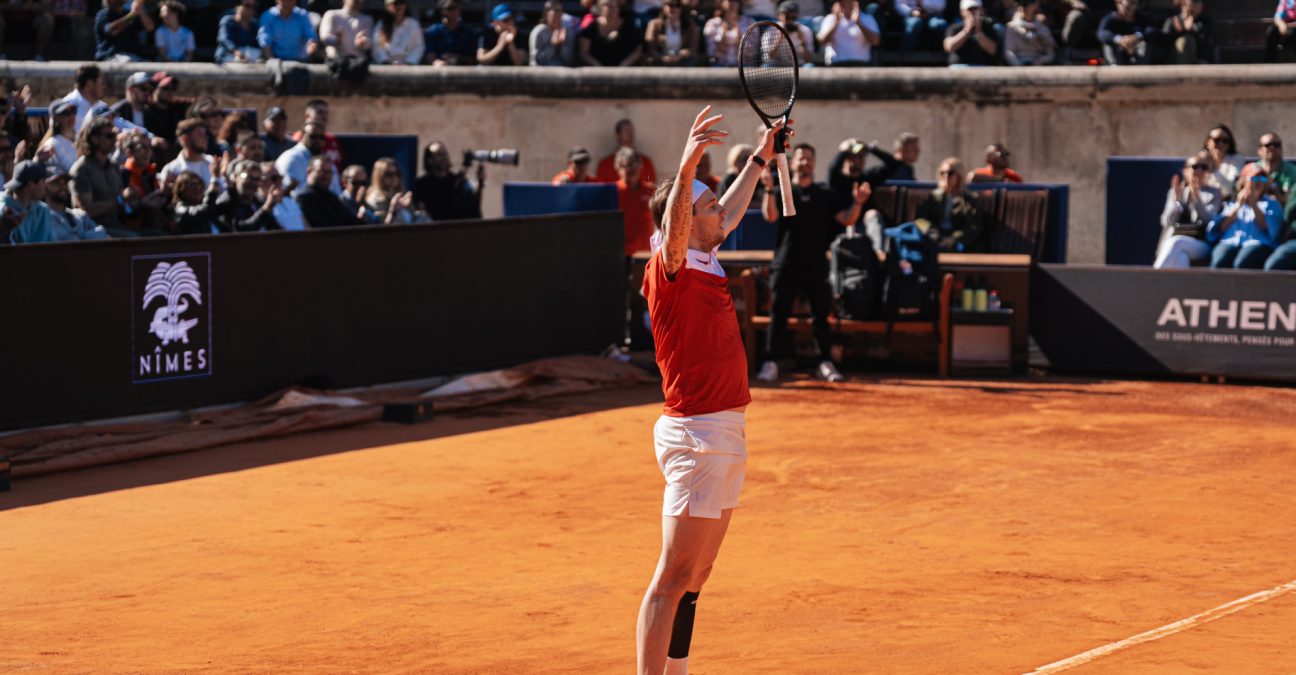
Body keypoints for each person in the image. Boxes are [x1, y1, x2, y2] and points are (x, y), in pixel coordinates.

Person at [636, 106, 779, 675]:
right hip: (697, 434)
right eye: (708, 206)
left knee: (696, 577)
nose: (721, 211)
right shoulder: (668, 265)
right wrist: (688, 159)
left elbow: (729, 211)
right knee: (672, 579)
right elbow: (679, 230)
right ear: (683, 221)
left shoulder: (705, 252)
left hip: (724, 429)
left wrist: (761, 158)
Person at [757, 142, 869, 383]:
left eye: (809, 158)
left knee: (821, 315)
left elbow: (847, 219)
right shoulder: (782, 191)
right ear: (792, 163)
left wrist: (858, 202)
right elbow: (770, 216)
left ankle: (825, 362)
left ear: (815, 163)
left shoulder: (826, 194)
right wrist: (768, 189)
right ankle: (772, 361)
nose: (805, 162)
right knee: (779, 314)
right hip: (785, 264)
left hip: (816, 264)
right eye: (800, 158)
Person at [1154, 152, 1221, 269]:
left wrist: (1197, 199)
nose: (1199, 171)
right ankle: (1179, 287)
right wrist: (1177, 202)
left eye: (1204, 167)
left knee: (1177, 242)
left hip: (1202, 243)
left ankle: (1151, 280)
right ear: (1185, 171)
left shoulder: (1214, 192)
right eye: (1195, 167)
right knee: (1182, 256)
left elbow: (1208, 220)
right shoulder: (1175, 192)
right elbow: (1167, 222)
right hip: (1175, 244)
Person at [1209, 166, 1284, 269]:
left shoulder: (1271, 204)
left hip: (1258, 244)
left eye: (1262, 179)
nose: (1258, 182)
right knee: (1219, 261)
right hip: (1230, 241)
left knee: (1241, 263)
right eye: (1253, 178)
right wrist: (1238, 206)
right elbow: (1220, 228)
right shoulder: (1231, 204)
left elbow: (1268, 228)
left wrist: (1253, 203)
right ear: (1244, 181)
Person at [914, 157, 990, 252]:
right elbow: (921, 219)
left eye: (950, 173)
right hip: (934, 237)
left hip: (959, 241)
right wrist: (933, 233)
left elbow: (973, 226)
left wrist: (954, 239)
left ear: (959, 175)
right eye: (942, 173)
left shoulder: (970, 199)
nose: (946, 176)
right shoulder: (933, 196)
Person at [70, 117, 128, 235]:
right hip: (93, 230)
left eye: (114, 135)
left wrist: (139, 202)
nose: (114, 139)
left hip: (118, 225)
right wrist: (117, 203)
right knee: (136, 240)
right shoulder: (81, 169)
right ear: (95, 139)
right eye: (109, 136)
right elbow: (85, 210)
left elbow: (121, 201)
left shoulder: (113, 166)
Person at [414, 141, 481, 220]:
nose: (444, 157)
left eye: (445, 153)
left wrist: (480, 186)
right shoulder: (421, 185)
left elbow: (472, 210)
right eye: (439, 154)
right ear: (430, 160)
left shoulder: (459, 182)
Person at [43, 163, 109, 242]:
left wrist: (80, 237)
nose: (62, 186)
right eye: (56, 182)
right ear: (44, 187)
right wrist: (87, 235)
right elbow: (68, 241)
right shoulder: (43, 216)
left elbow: (102, 234)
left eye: (64, 182)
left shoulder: (79, 214)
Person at [298, 156, 367, 227]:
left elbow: (350, 220)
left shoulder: (332, 197)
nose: (326, 176)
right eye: (322, 171)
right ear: (309, 172)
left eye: (329, 172)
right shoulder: (304, 198)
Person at [276, 121, 342, 196]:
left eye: (321, 137)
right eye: (313, 136)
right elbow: (288, 193)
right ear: (303, 135)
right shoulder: (291, 158)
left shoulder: (326, 160)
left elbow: (337, 192)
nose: (318, 140)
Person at [216, 159, 281, 232]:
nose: (253, 183)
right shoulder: (228, 200)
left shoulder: (256, 200)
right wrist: (266, 208)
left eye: (257, 179)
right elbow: (241, 230)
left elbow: (275, 229)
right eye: (248, 177)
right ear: (235, 176)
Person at [0, 160, 55, 244]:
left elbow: (54, 246)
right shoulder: (5, 211)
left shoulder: (43, 211)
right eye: (43, 181)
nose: (45, 185)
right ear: (31, 185)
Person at [615, 147, 656, 255]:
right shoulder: (613, 191)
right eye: (625, 166)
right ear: (618, 168)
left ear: (640, 167)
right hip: (620, 253)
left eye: (633, 165)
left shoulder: (650, 190)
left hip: (644, 254)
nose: (630, 169)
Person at [580, 0, 644, 66]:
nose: (610, 10)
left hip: (623, 70)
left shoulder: (628, 26)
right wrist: (597, 65)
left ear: (619, 8)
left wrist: (623, 65)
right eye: (606, 6)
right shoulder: (591, 27)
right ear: (600, 8)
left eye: (613, 7)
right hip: (597, 70)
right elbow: (584, 52)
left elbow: (638, 50)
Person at [1248, 132, 1296, 216]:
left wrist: (1273, 187)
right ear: (1259, 150)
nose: (1272, 148)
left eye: (1276, 145)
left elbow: (1289, 201)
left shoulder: (1291, 171)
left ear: (1281, 149)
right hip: (1253, 216)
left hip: (1281, 217)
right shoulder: (1251, 170)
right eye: (1268, 145)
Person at [819, 0, 880, 66]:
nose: (840, 3)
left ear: (855, 2)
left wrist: (859, 23)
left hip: (861, 66)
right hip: (835, 66)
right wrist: (836, 23)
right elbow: (822, 41)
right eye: (839, 1)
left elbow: (875, 41)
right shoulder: (830, 19)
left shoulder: (868, 18)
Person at [597, 118, 658, 185]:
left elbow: (652, 188)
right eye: (626, 131)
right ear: (618, 135)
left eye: (632, 131)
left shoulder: (646, 162)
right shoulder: (605, 165)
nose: (630, 134)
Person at [171, 166, 226, 236]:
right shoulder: (180, 209)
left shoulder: (207, 204)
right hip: (198, 246)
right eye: (192, 185)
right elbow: (204, 210)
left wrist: (227, 179)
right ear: (182, 190)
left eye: (199, 184)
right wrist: (214, 180)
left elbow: (228, 203)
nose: (197, 188)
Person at [1097, 0, 1154, 66]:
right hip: (1118, 49)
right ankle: (1115, 69)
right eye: (1129, 3)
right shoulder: (1110, 19)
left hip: (1136, 49)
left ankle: (1141, 70)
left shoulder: (1142, 18)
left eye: (1134, 3)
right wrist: (1119, 39)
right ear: (1118, 3)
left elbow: (1151, 30)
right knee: (1107, 44)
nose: (1132, 7)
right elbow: (1101, 33)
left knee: (1144, 43)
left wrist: (1137, 37)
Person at [944, 0, 1000, 66]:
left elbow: (993, 50)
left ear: (981, 10)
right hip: (958, 67)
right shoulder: (954, 27)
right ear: (962, 12)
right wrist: (966, 31)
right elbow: (949, 47)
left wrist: (979, 32)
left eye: (976, 9)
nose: (973, 13)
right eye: (970, 10)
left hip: (982, 68)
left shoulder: (988, 28)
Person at [159, 119, 215, 185]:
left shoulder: (213, 163)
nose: (205, 137)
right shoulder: (171, 170)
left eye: (205, 133)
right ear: (185, 139)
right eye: (199, 134)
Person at [645, 0, 700, 66]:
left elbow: (693, 48)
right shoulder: (654, 24)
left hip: (681, 60)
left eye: (676, 6)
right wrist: (662, 58)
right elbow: (651, 48)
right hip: (660, 59)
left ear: (681, 9)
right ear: (663, 7)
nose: (672, 9)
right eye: (669, 5)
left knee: (691, 61)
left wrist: (680, 55)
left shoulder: (690, 24)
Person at [1002, 0, 1057, 65]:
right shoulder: (1012, 27)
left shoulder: (1041, 26)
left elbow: (1050, 52)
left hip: (1039, 65)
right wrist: (1020, 66)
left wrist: (1041, 60)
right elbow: (1009, 52)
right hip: (1020, 64)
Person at [365, 157, 418, 224]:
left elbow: (412, 219)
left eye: (397, 173)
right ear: (379, 176)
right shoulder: (375, 199)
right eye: (389, 174)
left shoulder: (401, 195)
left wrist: (406, 207)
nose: (394, 177)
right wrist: (393, 211)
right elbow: (382, 228)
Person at [372, 0, 425, 65]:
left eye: (402, 3)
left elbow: (419, 46)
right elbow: (377, 46)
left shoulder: (414, 24)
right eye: (396, 3)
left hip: (409, 67)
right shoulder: (381, 24)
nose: (399, 6)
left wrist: (409, 62)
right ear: (388, 6)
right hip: (386, 67)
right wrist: (386, 62)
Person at [425, 0, 478, 65]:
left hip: (463, 70)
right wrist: (436, 63)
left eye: (456, 7)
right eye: (450, 8)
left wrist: (457, 57)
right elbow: (430, 55)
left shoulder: (469, 31)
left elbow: (474, 59)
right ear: (442, 11)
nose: (454, 11)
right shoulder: (433, 31)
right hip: (440, 70)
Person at [56, 64, 105, 135]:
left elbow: (119, 124)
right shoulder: (67, 106)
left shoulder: (101, 106)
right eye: (101, 83)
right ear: (89, 84)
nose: (103, 87)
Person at [703, 0, 753, 67]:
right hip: (719, 68)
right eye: (729, 0)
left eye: (735, 0)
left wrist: (739, 38)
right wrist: (722, 37)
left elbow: (751, 53)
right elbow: (711, 53)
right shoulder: (712, 23)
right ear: (721, 3)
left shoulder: (749, 23)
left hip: (744, 68)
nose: (731, 3)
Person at [260, 161, 308, 229]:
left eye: (280, 177)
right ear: (260, 181)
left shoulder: (290, 201)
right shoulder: (259, 206)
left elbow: (307, 227)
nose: (279, 181)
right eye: (273, 178)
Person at [1162, 0, 1211, 65]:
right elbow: (1163, 40)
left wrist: (1192, 29)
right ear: (1183, 5)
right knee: (1184, 41)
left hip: (1197, 60)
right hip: (1175, 62)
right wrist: (1177, 32)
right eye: (1191, 12)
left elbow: (1206, 43)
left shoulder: (1204, 22)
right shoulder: (1173, 20)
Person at [1204, 124, 1244, 200]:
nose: (1221, 144)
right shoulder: (1200, 160)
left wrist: (1213, 169)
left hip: (1227, 202)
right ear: (1208, 142)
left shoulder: (1237, 159)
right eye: (1217, 140)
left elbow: (1228, 188)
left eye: (1225, 141)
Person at [531, 0, 578, 66]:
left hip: (563, 73)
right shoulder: (539, 32)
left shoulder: (568, 32)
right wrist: (552, 46)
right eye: (555, 10)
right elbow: (536, 62)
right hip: (541, 73)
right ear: (546, 14)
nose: (559, 14)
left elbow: (568, 61)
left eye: (561, 10)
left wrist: (563, 45)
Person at [38, 101, 78, 173]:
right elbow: (71, 170)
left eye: (73, 111)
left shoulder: (79, 138)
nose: (71, 116)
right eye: (66, 113)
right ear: (55, 118)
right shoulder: (52, 144)